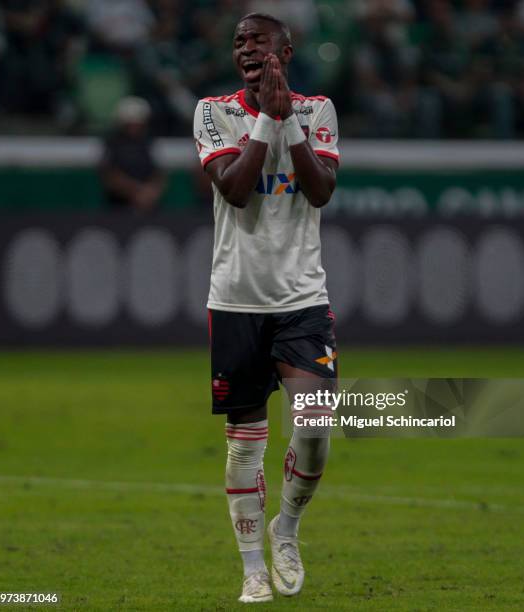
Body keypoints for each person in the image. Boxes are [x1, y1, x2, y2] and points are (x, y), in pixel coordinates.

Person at [193, 12, 339, 604]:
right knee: (244, 443)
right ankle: (252, 566)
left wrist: (289, 125)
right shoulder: (212, 111)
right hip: (235, 299)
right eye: (238, 42)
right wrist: (265, 122)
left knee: (314, 429)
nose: (246, 48)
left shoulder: (318, 109)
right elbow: (231, 187)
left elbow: (323, 190)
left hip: (303, 298)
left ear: (286, 49)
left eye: (258, 40)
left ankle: (287, 530)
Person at [100, 96, 166, 212]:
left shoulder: (148, 142)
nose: (135, 127)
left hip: (150, 208)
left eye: (138, 123)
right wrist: (136, 192)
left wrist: (151, 192)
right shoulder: (113, 143)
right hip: (119, 209)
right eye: (131, 123)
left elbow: (159, 173)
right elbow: (109, 175)